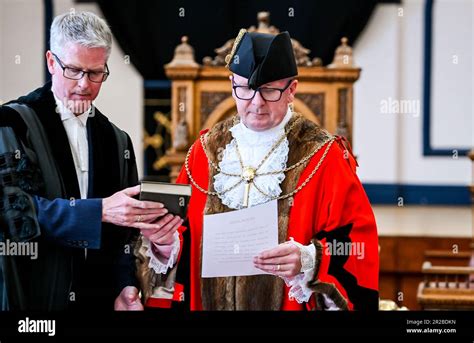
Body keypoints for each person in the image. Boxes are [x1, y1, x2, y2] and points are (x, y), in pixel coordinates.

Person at [141, 29, 379, 310]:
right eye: (244, 88)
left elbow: (358, 247)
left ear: (292, 89)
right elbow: (182, 237)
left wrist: (309, 259)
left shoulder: (325, 156)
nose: (256, 102)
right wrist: (164, 244)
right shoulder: (203, 151)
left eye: (269, 89)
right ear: (232, 84)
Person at [0, 11, 182, 311]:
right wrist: (96, 211)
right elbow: (12, 212)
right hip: (34, 299)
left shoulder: (117, 140)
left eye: (96, 73)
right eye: (73, 70)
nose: (84, 84)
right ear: (51, 62)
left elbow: (127, 235)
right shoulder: (13, 123)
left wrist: (126, 284)